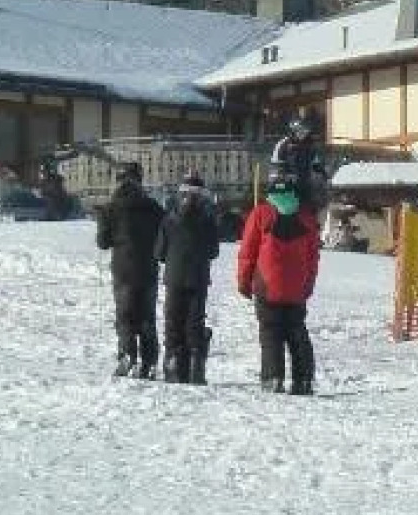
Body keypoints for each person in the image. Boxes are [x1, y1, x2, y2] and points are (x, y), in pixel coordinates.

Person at [237, 169, 321, 395]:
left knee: (270, 333)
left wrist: (244, 280)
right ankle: (303, 380)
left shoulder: (261, 214)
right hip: (296, 287)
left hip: (267, 285)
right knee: (297, 331)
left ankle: (273, 377)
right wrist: (308, 283)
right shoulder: (306, 217)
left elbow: (248, 251)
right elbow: (313, 255)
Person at [95, 162, 166, 378]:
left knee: (125, 316)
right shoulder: (154, 208)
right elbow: (164, 236)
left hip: (123, 269)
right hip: (148, 268)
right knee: (147, 317)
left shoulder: (111, 208)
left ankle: (127, 356)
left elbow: (102, 242)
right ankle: (150, 362)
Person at [155, 171, 221, 384]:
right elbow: (213, 251)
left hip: (174, 277)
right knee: (194, 323)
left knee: (173, 324)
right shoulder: (208, 220)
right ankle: (195, 370)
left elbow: (159, 253)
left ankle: (173, 368)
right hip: (198, 278)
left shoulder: (169, 219)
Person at [270, 107, 328, 208]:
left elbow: (316, 164)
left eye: (306, 130)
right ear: (294, 130)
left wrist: (325, 175)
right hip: (287, 185)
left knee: (308, 207)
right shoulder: (283, 144)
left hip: (305, 183)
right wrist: (284, 179)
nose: (303, 134)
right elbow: (276, 166)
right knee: (288, 209)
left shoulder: (310, 146)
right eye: (301, 131)